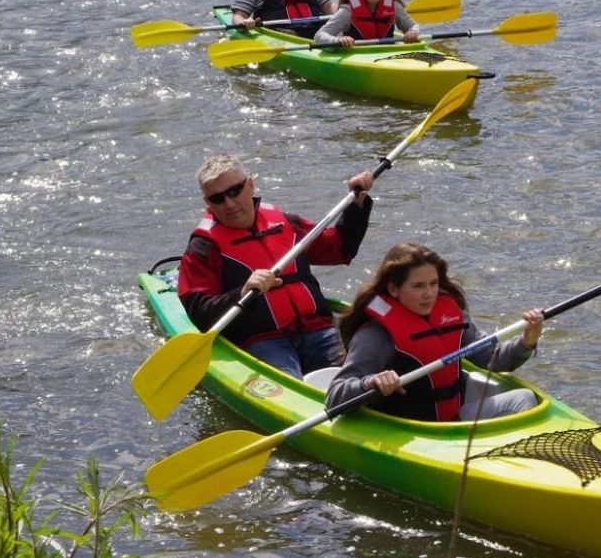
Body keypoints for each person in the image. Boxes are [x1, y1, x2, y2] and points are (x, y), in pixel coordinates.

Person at [177, 153, 373, 378]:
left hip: (317, 329)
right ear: (208, 202)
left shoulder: (285, 222)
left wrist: (357, 203)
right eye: (217, 198)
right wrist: (241, 293)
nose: (229, 203)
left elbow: (339, 249)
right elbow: (199, 312)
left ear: (250, 184)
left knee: (361, 374)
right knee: (292, 383)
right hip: (261, 341)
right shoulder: (203, 246)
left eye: (234, 191)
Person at [326, 242, 542, 422]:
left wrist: (526, 342)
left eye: (433, 283)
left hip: (454, 420)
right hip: (411, 429)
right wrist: (371, 382)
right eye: (418, 286)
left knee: (524, 399)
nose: (429, 294)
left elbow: (491, 359)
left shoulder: (449, 313)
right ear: (393, 289)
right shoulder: (375, 334)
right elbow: (335, 396)